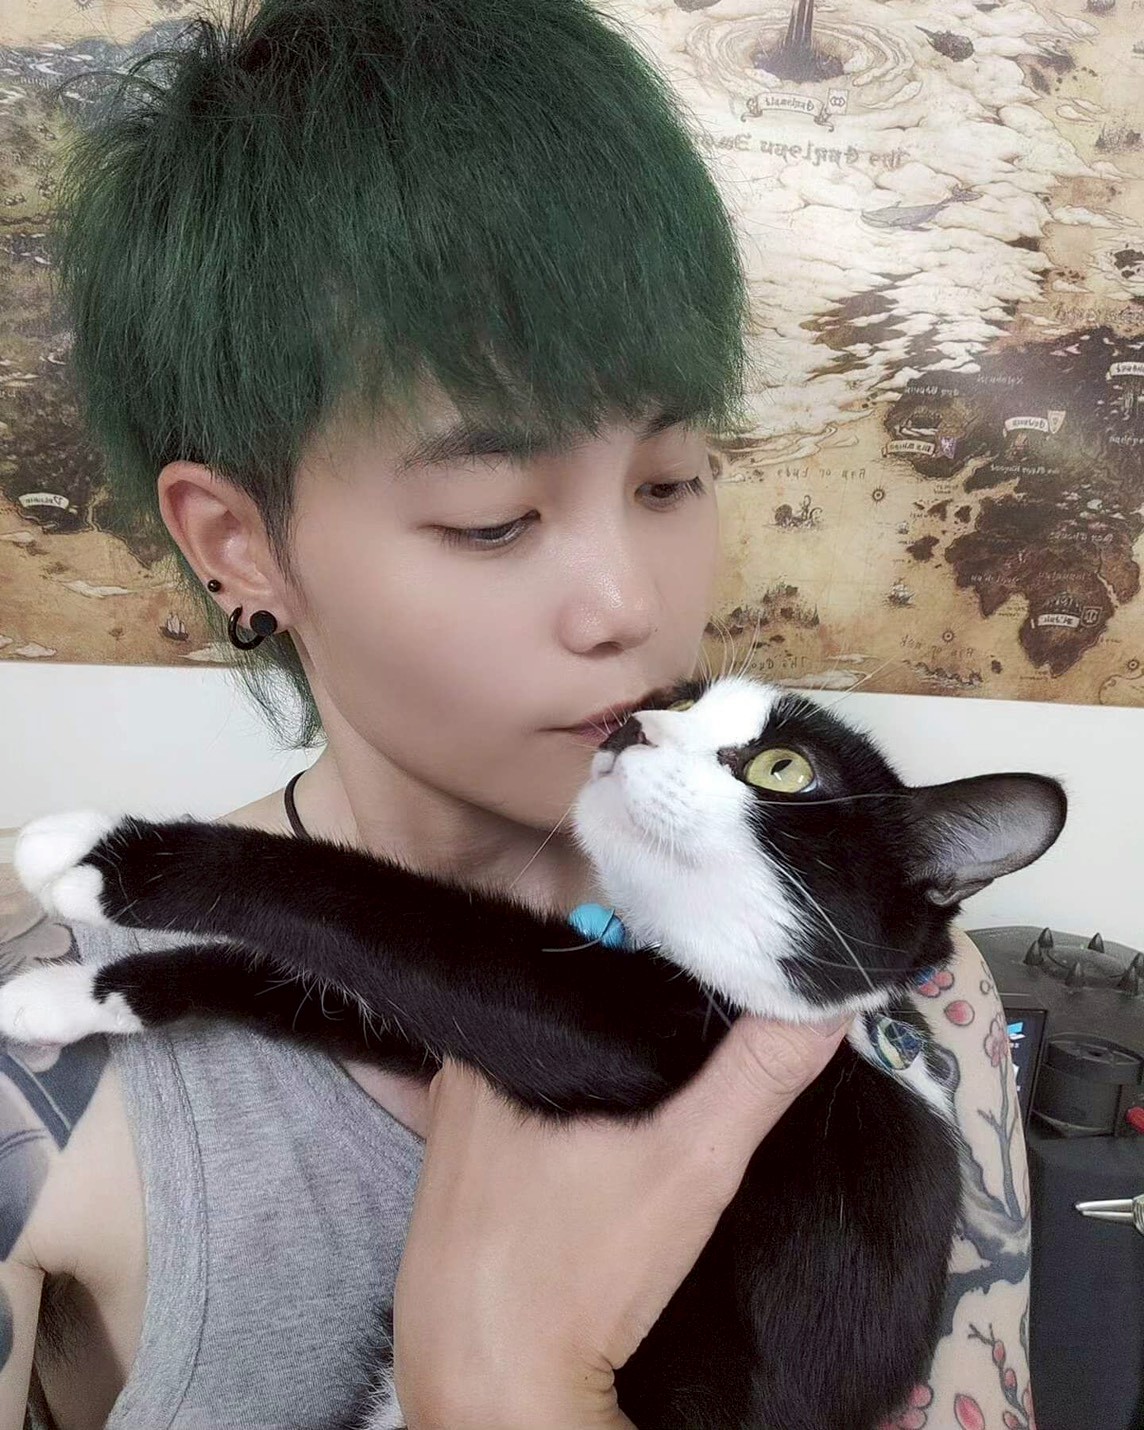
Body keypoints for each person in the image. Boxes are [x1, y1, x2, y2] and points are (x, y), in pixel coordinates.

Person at [0, 0, 1033, 1425]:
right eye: (493, 517)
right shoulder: (37, 1050)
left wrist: (510, 1382)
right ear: (239, 545)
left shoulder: (905, 984)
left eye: (671, 480)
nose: (629, 604)